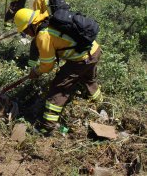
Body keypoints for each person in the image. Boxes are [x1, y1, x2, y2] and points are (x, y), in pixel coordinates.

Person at [14, 8, 103, 136]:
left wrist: (36, 71)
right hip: (94, 50)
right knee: (88, 79)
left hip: (82, 59)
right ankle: (101, 104)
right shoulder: (50, 22)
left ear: (31, 25)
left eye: (25, 30)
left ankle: (47, 128)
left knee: (58, 88)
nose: (26, 34)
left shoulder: (43, 35)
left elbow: (47, 66)